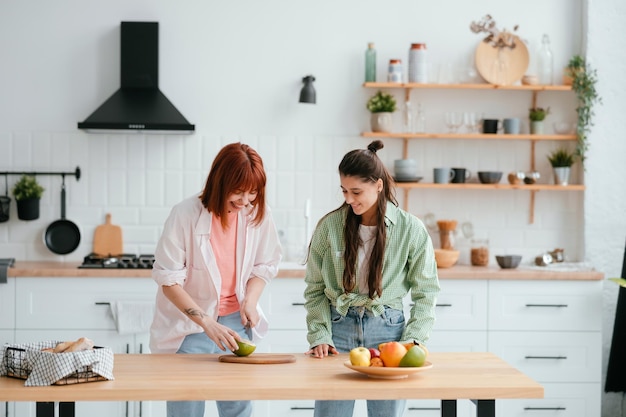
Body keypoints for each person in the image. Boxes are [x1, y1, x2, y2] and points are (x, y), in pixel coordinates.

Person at [304, 140, 440, 417]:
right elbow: (315, 289)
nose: (349, 199)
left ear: (378, 185)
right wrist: (319, 334)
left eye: (356, 191)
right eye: (344, 191)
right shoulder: (329, 227)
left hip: (389, 333)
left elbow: (426, 291)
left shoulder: (410, 229)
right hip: (337, 331)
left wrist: (414, 340)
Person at [150, 142, 282, 417]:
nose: (246, 201)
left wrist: (250, 301)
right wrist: (206, 322)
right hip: (190, 326)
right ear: (220, 182)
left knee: (237, 405)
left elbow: (264, 265)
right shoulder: (185, 214)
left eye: (253, 192)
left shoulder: (258, 213)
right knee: (186, 404)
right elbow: (169, 280)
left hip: (236, 321)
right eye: (239, 192)